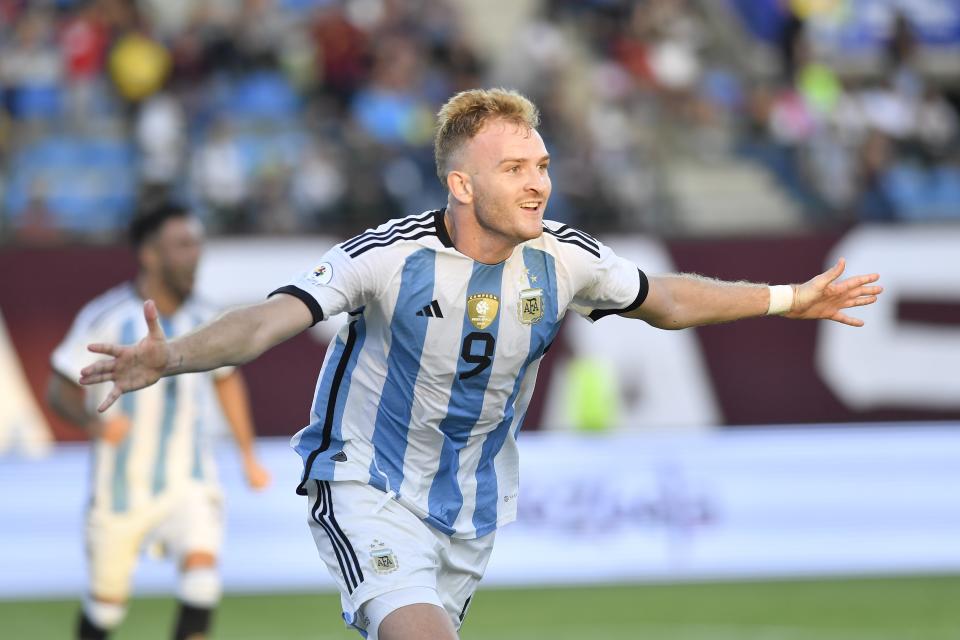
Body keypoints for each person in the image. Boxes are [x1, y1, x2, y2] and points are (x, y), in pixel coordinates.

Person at [78, 88, 883, 640]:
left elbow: (664, 300)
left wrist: (786, 299)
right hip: (367, 485)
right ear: (462, 183)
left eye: (541, 165)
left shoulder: (564, 259)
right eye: (515, 170)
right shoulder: (387, 259)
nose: (540, 184)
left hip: (472, 508)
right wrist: (172, 355)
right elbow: (266, 322)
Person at [48, 201, 272, 640]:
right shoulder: (107, 317)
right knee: (106, 610)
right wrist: (95, 426)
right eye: (183, 245)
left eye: (198, 244)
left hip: (189, 481)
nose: (196, 254)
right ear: (150, 254)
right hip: (120, 491)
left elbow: (226, 380)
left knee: (202, 583)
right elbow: (57, 391)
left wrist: (248, 454)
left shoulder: (206, 317)